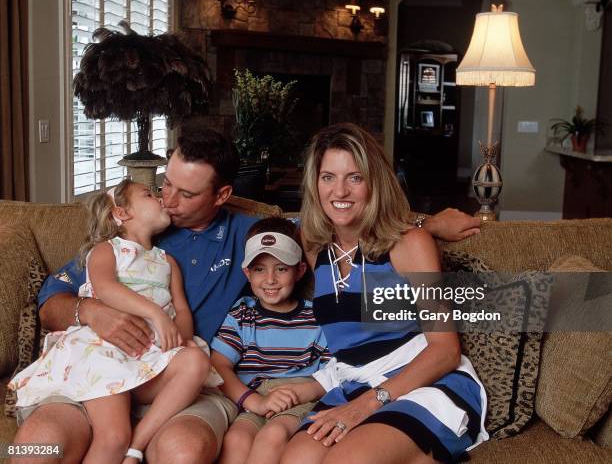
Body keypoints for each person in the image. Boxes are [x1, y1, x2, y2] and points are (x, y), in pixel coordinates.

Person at [12, 128, 481, 464]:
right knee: (36, 449)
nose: (169, 202)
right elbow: (51, 301)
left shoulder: (253, 234)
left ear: (223, 196)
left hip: (184, 385)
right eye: (163, 187)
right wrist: (89, 310)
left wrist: (425, 225)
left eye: (186, 193)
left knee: (181, 452)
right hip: (96, 377)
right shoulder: (125, 242)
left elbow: (355, 226)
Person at [279, 123, 489, 464]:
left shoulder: (409, 245)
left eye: (355, 178)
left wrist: (367, 404)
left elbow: (446, 350)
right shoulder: (312, 243)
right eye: (328, 177)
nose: (340, 191)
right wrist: (430, 221)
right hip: (354, 383)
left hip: (422, 381)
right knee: (295, 460)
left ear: (374, 183)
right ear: (314, 184)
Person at [9, 180, 211, 464]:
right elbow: (105, 289)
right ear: (122, 213)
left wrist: (182, 338)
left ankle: (137, 446)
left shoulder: (167, 261)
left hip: (147, 357)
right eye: (148, 194)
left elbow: (182, 308)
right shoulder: (107, 250)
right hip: (105, 351)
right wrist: (155, 314)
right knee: (113, 438)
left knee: (196, 361)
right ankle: (123, 445)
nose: (160, 198)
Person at [210, 217, 329, 464]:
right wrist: (256, 402)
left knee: (273, 435)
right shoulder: (242, 314)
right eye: (259, 269)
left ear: (299, 271)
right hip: (255, 398)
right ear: (247, 273)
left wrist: (303, 392)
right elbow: (218, 366)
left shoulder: (317, 316)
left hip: (300, 395)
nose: (270, 279)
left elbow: (336, 371)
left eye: (281, 268)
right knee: (237, 439)